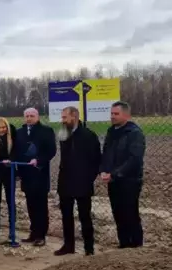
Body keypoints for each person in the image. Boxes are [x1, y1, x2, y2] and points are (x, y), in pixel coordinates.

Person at [54, 107, 101, 256]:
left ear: (74, 117)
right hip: (65, 183)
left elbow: (96, 160)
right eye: (62, 117)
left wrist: (88, 178)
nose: (63, 120)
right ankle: (68, 246)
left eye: (65, 117)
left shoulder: (88, 135)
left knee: (84, 216)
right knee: (66, 216)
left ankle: (89, 248)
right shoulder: (64, 134)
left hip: (82, 183)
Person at [100, 101, 146, 249]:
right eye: (111, 113)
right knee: (118, 213)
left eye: (116, 114)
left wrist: (116, 174)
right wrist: (104, 170)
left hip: (130, 181)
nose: (112, 117)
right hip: (113, 180)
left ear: (126, 115)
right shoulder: (111, 131)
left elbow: (135, 159)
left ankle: (136, 246)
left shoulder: (134, 133)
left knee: (130, 213)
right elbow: (106, 153)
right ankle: (124, 244)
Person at [16, 108, 56, 246]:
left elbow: (51, 150)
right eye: (26, 116)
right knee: (30, 205)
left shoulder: (46, 131)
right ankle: (33, 233)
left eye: (32, 115)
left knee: (41, 206)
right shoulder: (19, 133)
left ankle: (41, 235)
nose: (29, 118)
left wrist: (38, 160)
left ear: (37, 117)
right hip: (26, 175)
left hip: (40, 174)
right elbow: (15, 151)